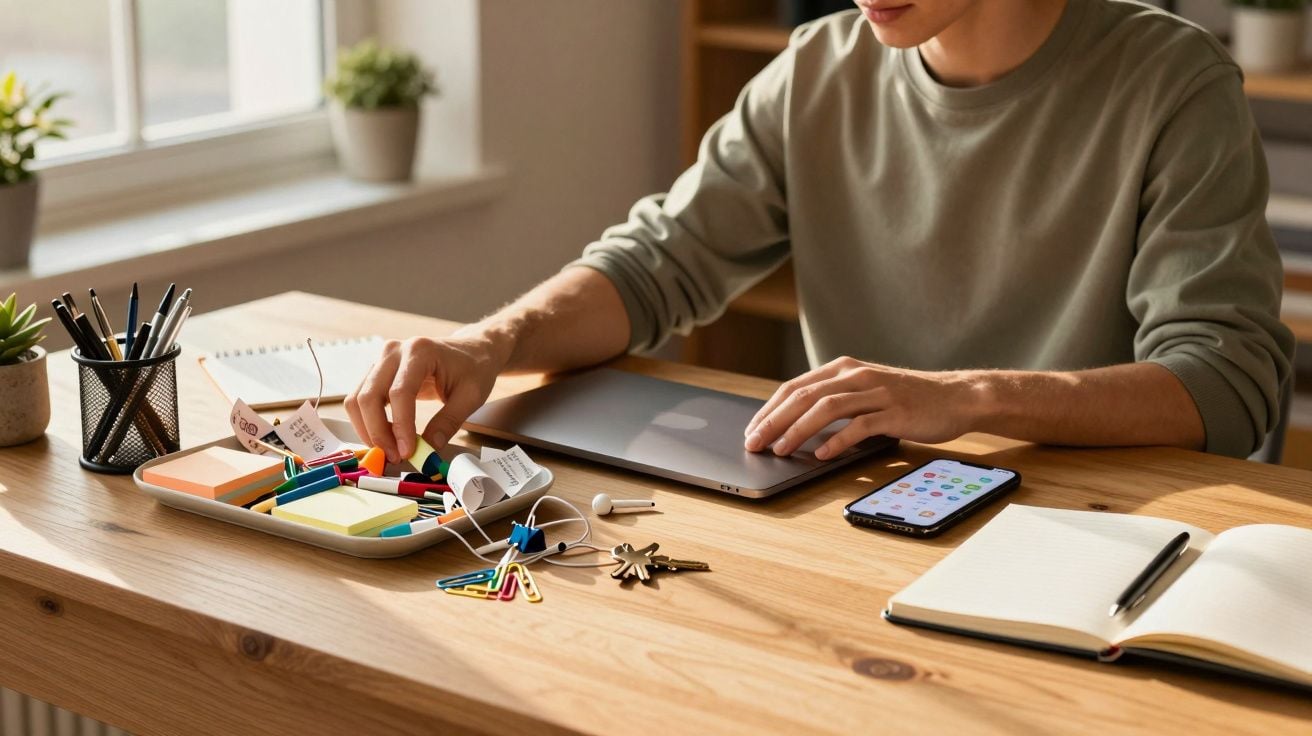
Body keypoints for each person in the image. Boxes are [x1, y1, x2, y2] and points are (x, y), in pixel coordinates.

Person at [346, 0, 1293, 466]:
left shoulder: (1174, 82)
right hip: (863, 515)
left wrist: (963, 398)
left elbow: (1227, 384)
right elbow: (655, 267)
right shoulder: (817, 70)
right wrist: (491, 341)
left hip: (1087, 536)